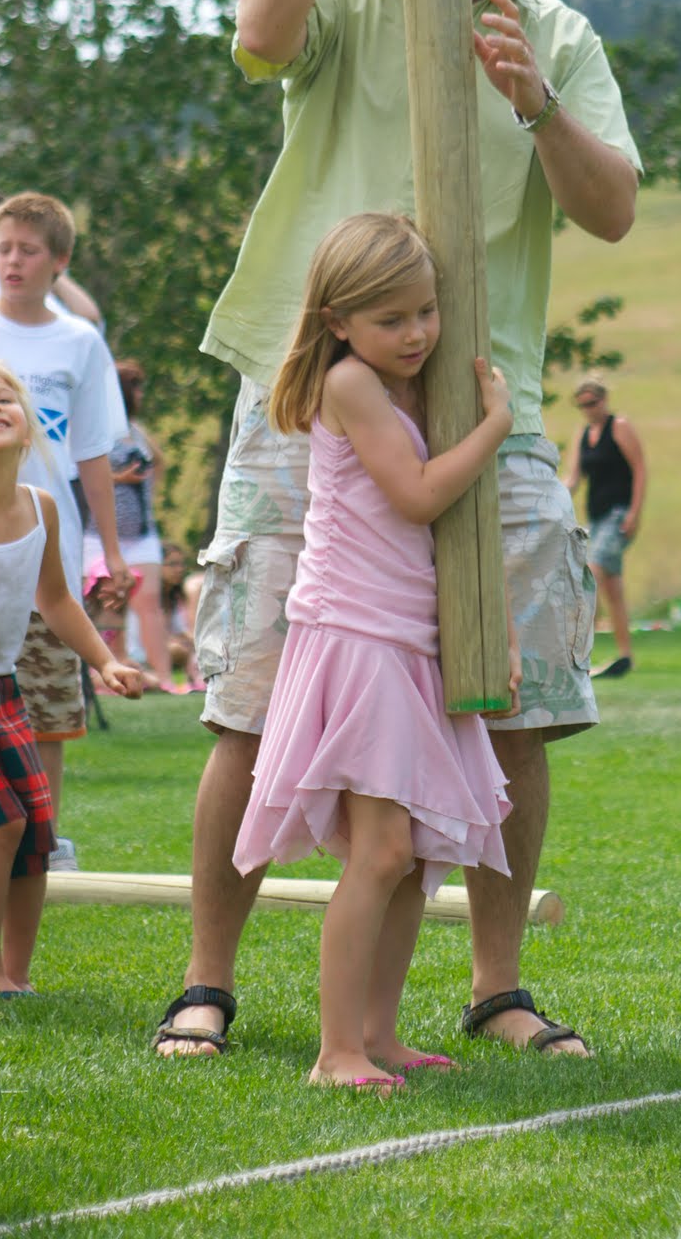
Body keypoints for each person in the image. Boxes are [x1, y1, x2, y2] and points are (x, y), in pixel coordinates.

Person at [153, 0, 638, 1058]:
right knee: (255, 691)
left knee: (515, 694)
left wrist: (536, 105)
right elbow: (258, 38)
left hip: (490, 406)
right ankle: (207, 978)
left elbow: (611, 212)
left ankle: (495, 988)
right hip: (307, 395)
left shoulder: (557, 37)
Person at [192, 215, 516, 1088]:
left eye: (425, 312)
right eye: (390, 320)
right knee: (379, 853)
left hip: (412, 639)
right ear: (337, 321)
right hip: (357, 637)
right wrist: (495, 429)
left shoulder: (412, 383)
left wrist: (490, 639)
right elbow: (414, 497)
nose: (414, 334)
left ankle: (378, 1034)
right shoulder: (348, 385)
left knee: (412, 857)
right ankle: (335, 1052)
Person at [0, 363, 140, 993]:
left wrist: (105, 660)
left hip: (5, 692)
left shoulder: (42, 508)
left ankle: (15, 977)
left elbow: (55, 600)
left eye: (4, 399)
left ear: (29, 430)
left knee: (35, 836)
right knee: (5, 823)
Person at [0, 194, 133, 856]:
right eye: (3, 248)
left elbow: (93, 452)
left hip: (45, 545)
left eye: (27, 249)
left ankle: (43, 843)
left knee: (45, 702)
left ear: (60, 262)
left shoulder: (79, 343)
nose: (12, 261)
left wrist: (111, 555)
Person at [84, 359, 178, 692]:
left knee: (148, 602)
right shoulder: (97, 427)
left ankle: (165, 678)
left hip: (141, 533)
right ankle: (103, 673)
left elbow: (159, 459)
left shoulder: (137, 431)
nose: (141, 394)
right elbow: (80, 472)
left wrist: (150, 484)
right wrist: (117, 478)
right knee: (104, 603)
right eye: (136, 388)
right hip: (97, 533)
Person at [563, 376, 646, 679]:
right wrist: (552, 498)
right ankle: (625, 656)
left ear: (604, 400)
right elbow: (574, 478)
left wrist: (635, 512)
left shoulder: (619, 427)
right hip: (596, 517)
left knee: (592, 572)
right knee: (613, 588)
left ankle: (580, 651)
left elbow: (639, 468)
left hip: (618, 513)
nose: (589, 410)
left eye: (593, 403)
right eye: (582, 405)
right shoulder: (584, 435)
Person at [160, 544, 205, 690]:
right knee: (179, 649)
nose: (179, 569)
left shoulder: (174, 597)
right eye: (172, 564)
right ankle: (194, 680)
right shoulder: (148, 598)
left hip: (171, 646)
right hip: (146, 650)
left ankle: (199, 680)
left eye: (181, 564)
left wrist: (198, 642)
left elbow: (181, 631)